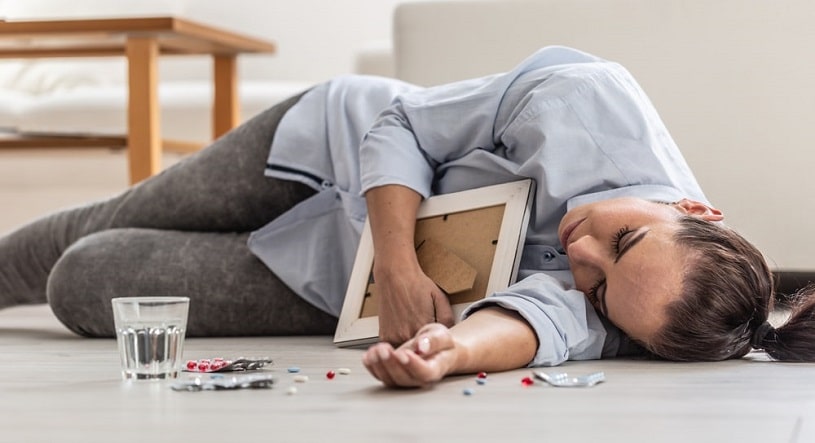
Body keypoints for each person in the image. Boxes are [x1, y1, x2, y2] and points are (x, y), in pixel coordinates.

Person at [1, 46, 812, 388]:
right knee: (90, 226)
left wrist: (446, 351)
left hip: (331, 281)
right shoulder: (589, 97)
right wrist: (395, 257)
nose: (581, 254)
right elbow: (405, 127)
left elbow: (539, 323)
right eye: (621, 237)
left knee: (86, 279)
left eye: (598, 287)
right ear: (696, 208)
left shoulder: (638, 309)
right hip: (326, 145)